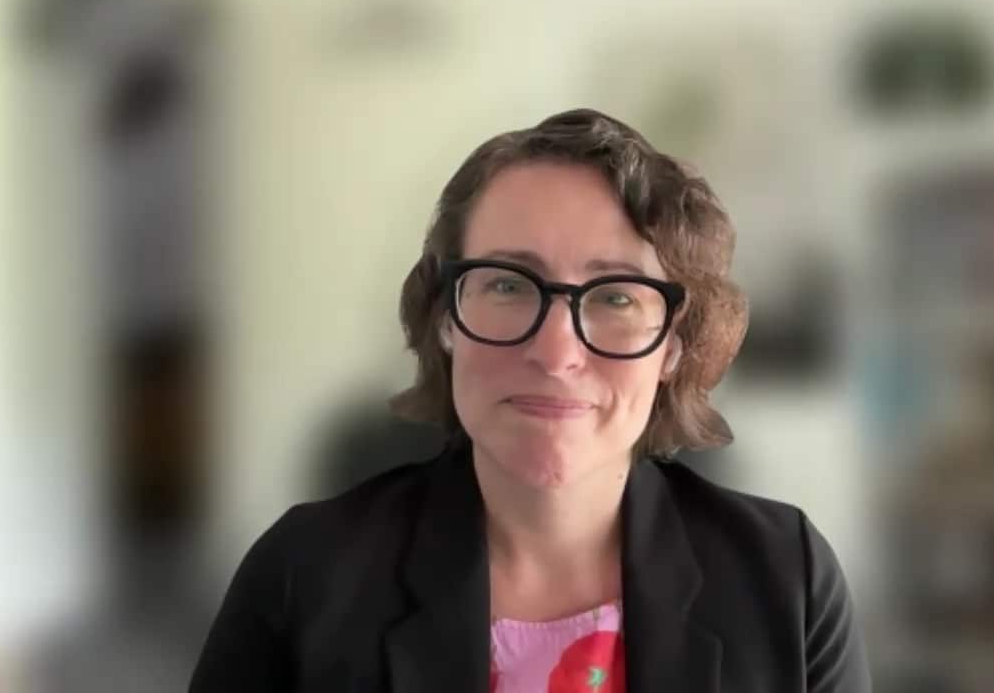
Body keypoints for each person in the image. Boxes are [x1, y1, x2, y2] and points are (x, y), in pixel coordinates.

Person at [189, 109, 870, 692]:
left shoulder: (788, 579)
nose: (555, 352)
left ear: (673, 346)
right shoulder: (299, 579)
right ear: (446, 318)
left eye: (615, 299)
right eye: (508, 286)